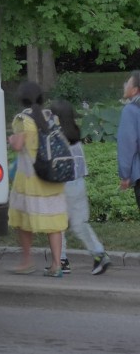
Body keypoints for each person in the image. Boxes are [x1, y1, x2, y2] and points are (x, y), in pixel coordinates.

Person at [6, 81, 68, 276]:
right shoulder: (50, 116)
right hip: (52, 177)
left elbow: (17, 145)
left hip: (30, 180)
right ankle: (56, 265)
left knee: (23, 221)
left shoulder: (22, 120)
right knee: (54, 223)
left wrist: (10, 140)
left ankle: (27, 262)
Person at [49, 98, 110, 275]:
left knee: (57, 223)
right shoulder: (74, 133)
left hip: (62, 184)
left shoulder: (56, 134)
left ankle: (61, 260)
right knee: (79, 223)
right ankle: (99, 253)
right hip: (79, 182)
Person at [117, 71, 140, 217]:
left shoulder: (131, 110)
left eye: (128, 84)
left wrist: (125, 175)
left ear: (135, 90)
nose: (125, 86)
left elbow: (127, 145)